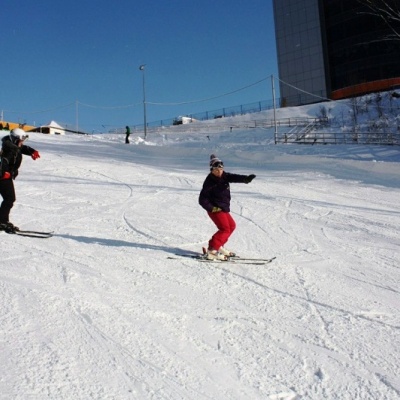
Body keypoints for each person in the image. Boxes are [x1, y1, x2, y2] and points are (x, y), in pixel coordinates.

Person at [199, 154, 256, 260]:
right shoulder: (209, 182)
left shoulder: (224, 176)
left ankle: (218, 246)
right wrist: (212, 208)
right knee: (224, 229)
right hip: (215, 209)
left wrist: (245, 179)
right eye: (216, 170)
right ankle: (212, 250)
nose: (219, 171)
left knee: (232, 226)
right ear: (212, 170)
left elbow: (234, 177)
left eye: (221, 169)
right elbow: (202, 200)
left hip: (223, 207)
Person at [0, 128, 40, 233]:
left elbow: (23, 148)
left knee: (9, 199)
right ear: (15, 139)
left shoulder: (14, 146)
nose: (22, 143)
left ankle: (2, 220)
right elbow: (3, 161)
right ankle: (2, 221)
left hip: (6, 177)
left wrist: (32, 151)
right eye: (20, 141)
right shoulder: (8, 149)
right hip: (3, 177)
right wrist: (4, 172)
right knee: (9, 198)